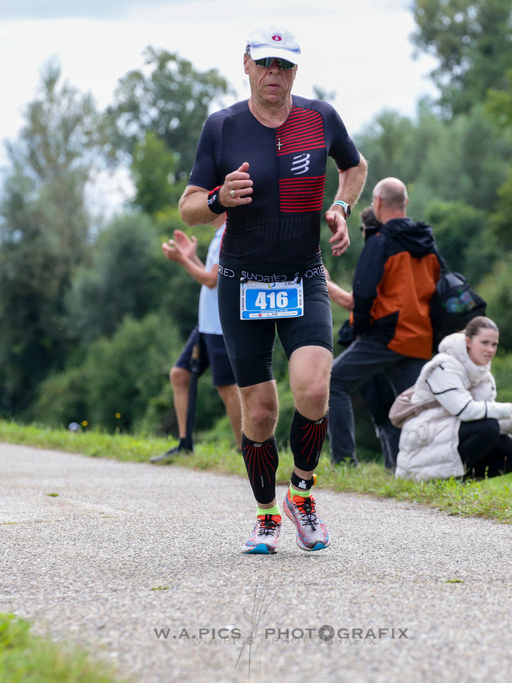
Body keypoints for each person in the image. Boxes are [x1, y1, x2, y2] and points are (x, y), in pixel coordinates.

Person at [179, 26, 367, 554]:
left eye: (283, 65)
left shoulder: (320, 117)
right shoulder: (222, 127)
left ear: (295, 72)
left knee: (312, 389)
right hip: (242, 281)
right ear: (246, 65)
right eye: (265, 63)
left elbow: (355, 166)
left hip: (303, 273)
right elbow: (189, 206)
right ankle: (265, 513)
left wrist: (342, 207)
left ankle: (301, 496)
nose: (274, 74)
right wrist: (219, 198)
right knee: (258, 412)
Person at [327, 179, 443, 471]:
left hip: (386, 336)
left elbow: (364, 292)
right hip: (420, 338)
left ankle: (344, 462)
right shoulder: (428, 245)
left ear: (377, 202)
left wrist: (361, 330)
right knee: (415, 408)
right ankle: (420, 470)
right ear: (405, 202)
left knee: (334, 382)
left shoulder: (381, 242)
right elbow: (441, 291)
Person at [394, 316, 512, 481]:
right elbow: (465, 411)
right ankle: (439, 480)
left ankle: (459, 482)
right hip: (424, 443)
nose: (490, 350)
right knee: (488, 428)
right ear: (468, 341)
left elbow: (486, 418)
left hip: (451, 437)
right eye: (484, 343)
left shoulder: (484, 376)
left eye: (494, 345)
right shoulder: (443, 366)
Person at [152, 217, 243, 462]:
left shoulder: (228, 233)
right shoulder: (218, 234)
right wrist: (190, 257)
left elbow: (211, 280)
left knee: (228, 389)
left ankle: (244, 450)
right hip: (206, 325)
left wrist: (182, 260)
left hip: (220, 326)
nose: (205, 210)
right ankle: (185, 444)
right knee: (179, 375)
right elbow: (210, 274)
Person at [327, 206, 405, 470]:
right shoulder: (405, 248)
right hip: (406, 335)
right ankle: (394, 469)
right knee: (389, 408)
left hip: (380, 336)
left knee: (383, 408)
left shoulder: (380, 248)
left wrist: (324, 283)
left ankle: (346, 462)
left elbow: (358, 300)